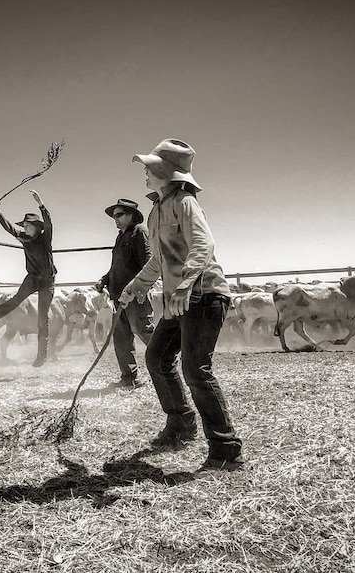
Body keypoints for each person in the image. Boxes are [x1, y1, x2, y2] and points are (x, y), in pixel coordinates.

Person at [119, 138, 244, 473]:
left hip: (203, 294)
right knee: (157, 357)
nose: (145, 172)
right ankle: (182, 424)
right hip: (180, 298)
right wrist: (134, 288)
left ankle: (226, 451)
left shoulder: (186, 202)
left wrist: (186, 282)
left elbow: (204, 243)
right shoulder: (157, 210)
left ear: (165, 172)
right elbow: (157, 263)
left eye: (150, 167)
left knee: (196, 369)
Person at [0, 189, 56, 367]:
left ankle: (41, 355)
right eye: (24, 226)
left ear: (36, 227)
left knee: (42, 317)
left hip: (47, 281)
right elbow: (9, 228)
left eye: (28, 225)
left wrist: (41, 204)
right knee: (14, 301)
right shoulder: (23, 238)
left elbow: (49, 223)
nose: (24, 228)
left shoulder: (45, 239)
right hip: (32, 278)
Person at [96, 198, 155, 389]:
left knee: (144, 331)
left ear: (132, 216)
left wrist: (137, 288)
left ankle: (167, 366)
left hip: (135, 295)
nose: (116, 219)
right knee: (121, 337)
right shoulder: (121, 236)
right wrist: (104, 280)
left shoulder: (140, 232)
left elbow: (148, 263)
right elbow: (116, 267)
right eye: (114, 216)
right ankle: (129, 378)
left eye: (119, 215)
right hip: (118, 296)